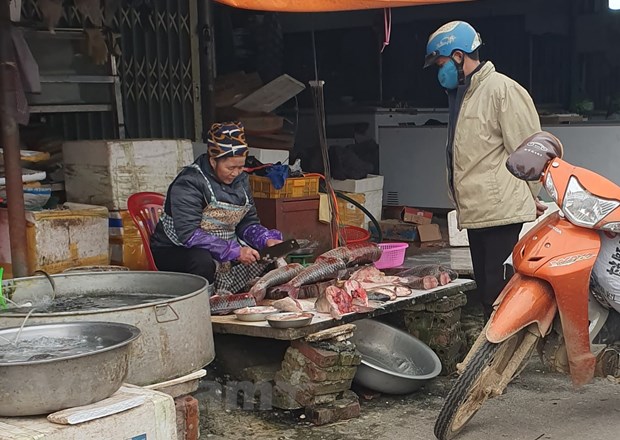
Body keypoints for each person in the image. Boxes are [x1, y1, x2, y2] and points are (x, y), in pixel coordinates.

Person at [424, 21, 547, 319]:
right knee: (486, 291)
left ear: (457, 56)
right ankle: (490, 357)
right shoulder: (463, 95)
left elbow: (530, 150)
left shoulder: (502, 90)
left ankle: (502, 359)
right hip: (479, 211)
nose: (439, 72)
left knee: (498, 292)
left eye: (440, 63)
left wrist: (528, 196)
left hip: (500, 211)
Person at [150, 121, 283, 294]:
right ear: (213, 161)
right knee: (202, 260)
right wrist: (233, 251)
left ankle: (246, 298)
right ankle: (204, 305)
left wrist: (265, 239)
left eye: (240, 167)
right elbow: (189, 234)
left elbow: (247, 222)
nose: (235, 173)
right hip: (176, 249)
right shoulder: (189, 182)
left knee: (262, 256)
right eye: (230, 167)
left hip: (224, 242)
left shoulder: (241, 181)